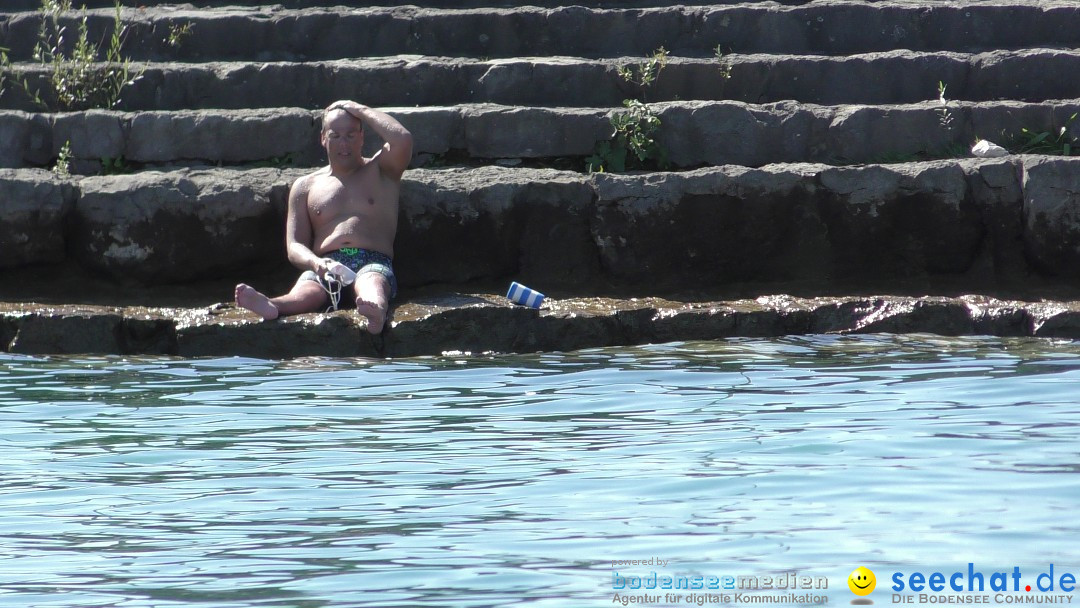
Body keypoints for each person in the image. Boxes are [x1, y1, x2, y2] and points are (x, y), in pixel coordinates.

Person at [234, 100, 413, 334]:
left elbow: (403, 139)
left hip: (372, 260)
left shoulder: (382, 170)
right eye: (335, 135)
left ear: (362, 137)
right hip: (326, 264)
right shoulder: (305, 186)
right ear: (323, 138)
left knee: (371, 282)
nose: (343, 143)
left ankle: (375, 309)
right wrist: (316, 264)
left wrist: (361, 110)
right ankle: (273, 305)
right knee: (307, 292)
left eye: (350, 135)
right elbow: (294, 245)